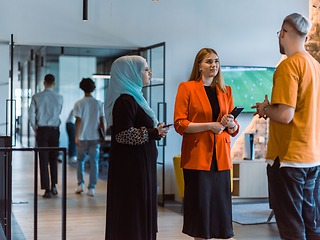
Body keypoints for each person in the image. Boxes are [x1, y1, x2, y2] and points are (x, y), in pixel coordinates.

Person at [252, 13, 320, 240]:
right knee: (311, 224)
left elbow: (285, 114)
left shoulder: (287, 66)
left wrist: (264, 109)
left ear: (282, 33)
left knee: (291, 226)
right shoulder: (315, 66)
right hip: (312, 157)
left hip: (289, 158)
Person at [174, 48, 239, 240]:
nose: (214, 65)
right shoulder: (187, 88)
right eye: (209, 61)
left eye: (216, 61)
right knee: (201, 212)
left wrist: (231, 124)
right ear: (199, 66)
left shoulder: (226, 90)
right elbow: (180, 124)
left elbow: (232, 128)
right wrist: (209, 126)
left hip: (221, 158)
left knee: (221, 212)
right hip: (198, 157)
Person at [104, 55, 169, 240]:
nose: (149, 73)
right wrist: (154, 133)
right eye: (145, 69)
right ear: (130, 73)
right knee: (133, 212)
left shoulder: (135, 97)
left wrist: (155, 132)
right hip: (131, 169)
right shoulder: (125, 100)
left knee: (139, 210)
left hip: (140, 166)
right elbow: (123, 134)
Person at [28, 74, 63, 198]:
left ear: (44, 83)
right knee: (53, 159)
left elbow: (31, 115)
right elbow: (59, 112)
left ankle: (46, 189)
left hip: (42, 131)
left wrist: (35, 129)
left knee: (43, 159)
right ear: (54, 83)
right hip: (54, 130)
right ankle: (54, 186)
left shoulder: (36, 97)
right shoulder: (59, 97)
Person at [73, 78, 105, 197]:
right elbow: (102, 122)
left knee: (80, 161)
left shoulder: (79, 103)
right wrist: (103, 135)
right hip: (95, 137)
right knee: (94, 162)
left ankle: (80, 184)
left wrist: (76, 136)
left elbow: (78, 121)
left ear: (82, 88)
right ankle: (92, 188)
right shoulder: (98, 103)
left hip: (82, 137)